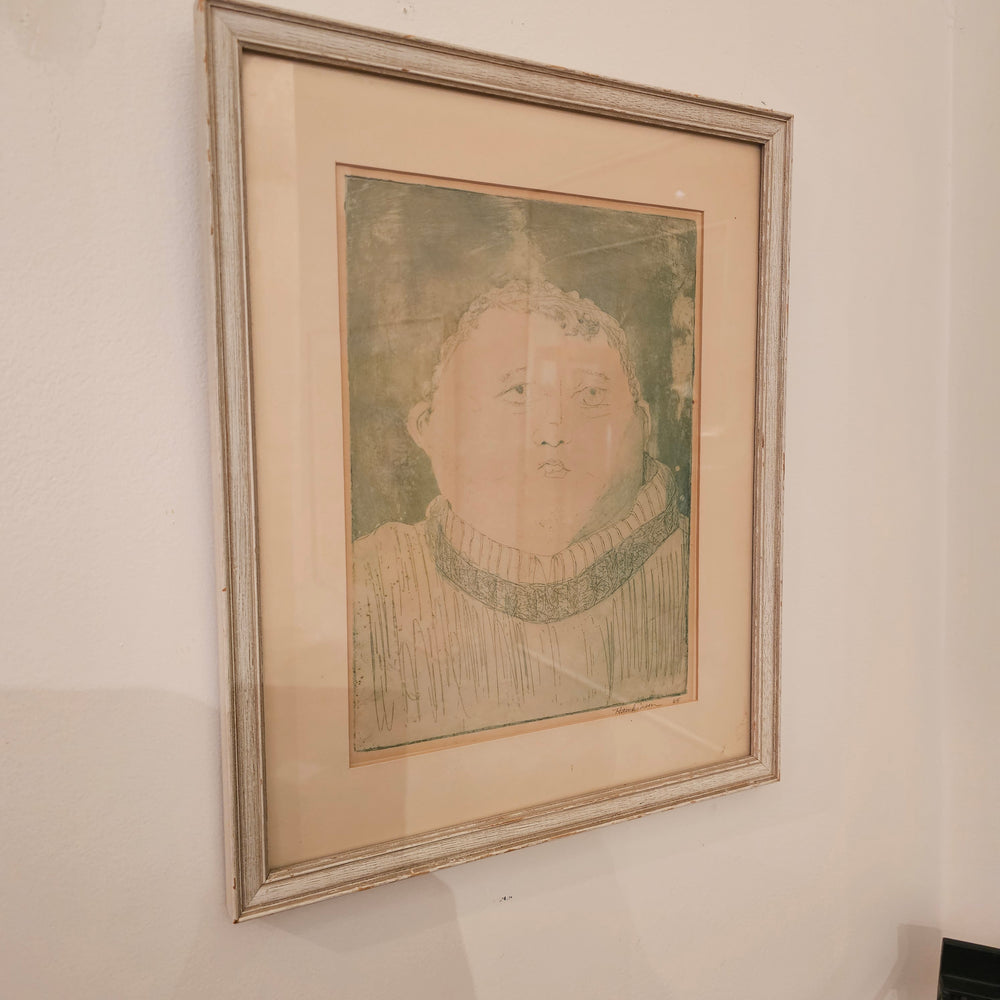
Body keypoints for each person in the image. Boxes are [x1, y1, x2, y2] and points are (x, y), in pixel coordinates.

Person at [351, 280, 690, 753]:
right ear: (430, 427)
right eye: (519, 390)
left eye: (591, 394)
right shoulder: (365, 582)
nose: (554, 430)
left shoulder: (705, 568)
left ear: (644, 425)